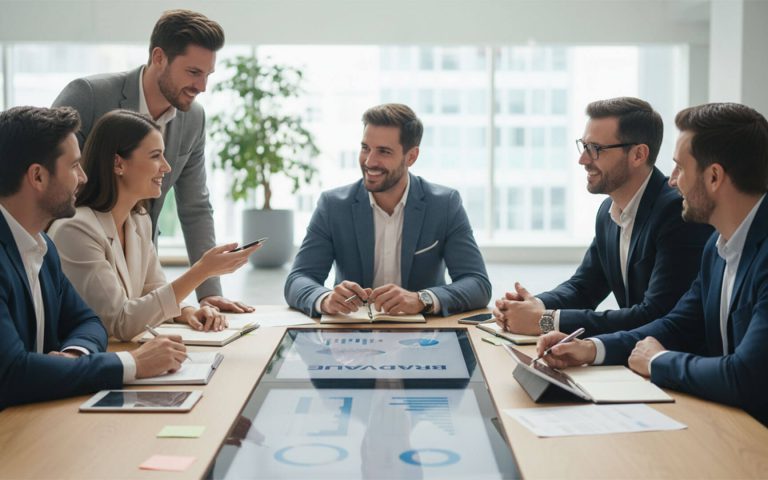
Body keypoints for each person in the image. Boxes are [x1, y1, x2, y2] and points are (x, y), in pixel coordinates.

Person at [537, 102, 768, 425]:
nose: (672, 181)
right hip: (728, 422)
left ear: (714, 177)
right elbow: (677, 324)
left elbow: (746, 376)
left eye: (680, 168)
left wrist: (659, 361)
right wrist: (591, 349)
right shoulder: (717, 248)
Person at [52, 9, 247, 312]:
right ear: (159, 57)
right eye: (193, 72)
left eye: (208, 75)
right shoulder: (89, 96)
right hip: (77, 257)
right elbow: (49, 176)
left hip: (138, 265)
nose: (202, 86)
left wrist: (208, 292)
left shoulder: (193, 118)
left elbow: (195, 205)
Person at [0, 106, 186, 409]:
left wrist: (74, 356)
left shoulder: (42, 248)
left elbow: (88, 322)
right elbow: (12, 373)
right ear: (37, 176)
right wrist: (132, 364)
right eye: (74, 166)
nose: (83, 177)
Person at [493, 97, 712, 337]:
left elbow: (655, 314)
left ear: (638, 154)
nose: (583, 159)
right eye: (584, 146)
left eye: (595, 149)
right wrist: (529, 307)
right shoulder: (608, 211)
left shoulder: (676, 213)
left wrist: (545, 321)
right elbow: (584, 288)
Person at [48, 110, 259, 341]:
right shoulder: (76, 229)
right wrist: (202, 271)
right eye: (156, 156)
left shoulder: (139, 220)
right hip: (88, 363)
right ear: (118, 163)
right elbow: (121, 322)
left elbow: (153, 291)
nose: (167, 167)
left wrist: (188, 312)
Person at [285, 103, 491, 317]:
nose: (369, 161)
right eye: (365, 148)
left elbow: (477, 284)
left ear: (411, 157)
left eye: (383, 151)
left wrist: (422, 299)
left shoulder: (445, 204)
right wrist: (325, 299)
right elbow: (298, 279)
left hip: (424, 337)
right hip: (351, 337)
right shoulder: (333, 206)